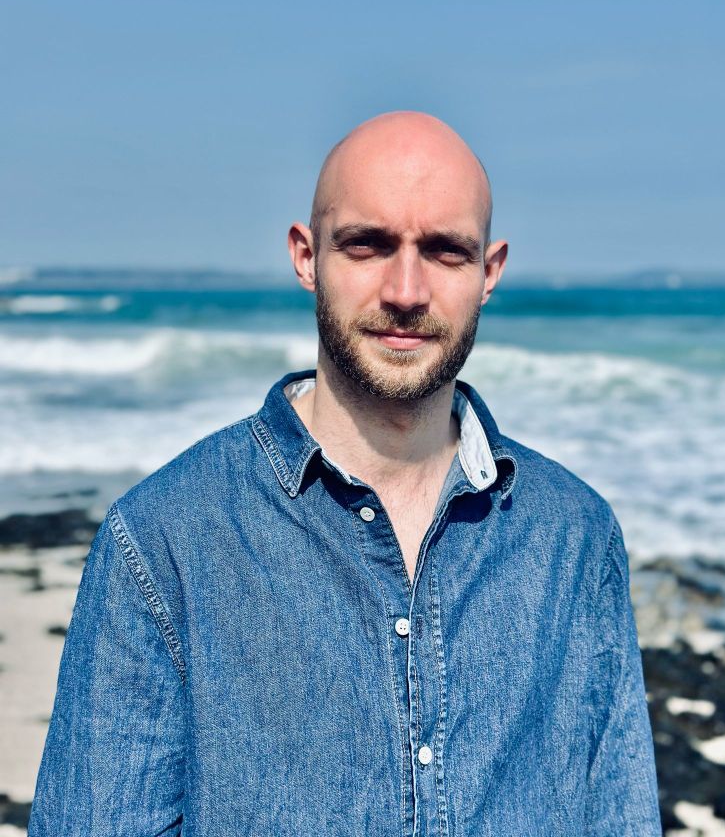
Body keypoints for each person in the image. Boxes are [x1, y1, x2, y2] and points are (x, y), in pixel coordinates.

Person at [28, 111, 662, 836]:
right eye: (368, 245)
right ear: (307, 257)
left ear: (489, 273)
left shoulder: (575, 537)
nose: (406, 291)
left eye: (445, 251)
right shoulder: (162, 541)